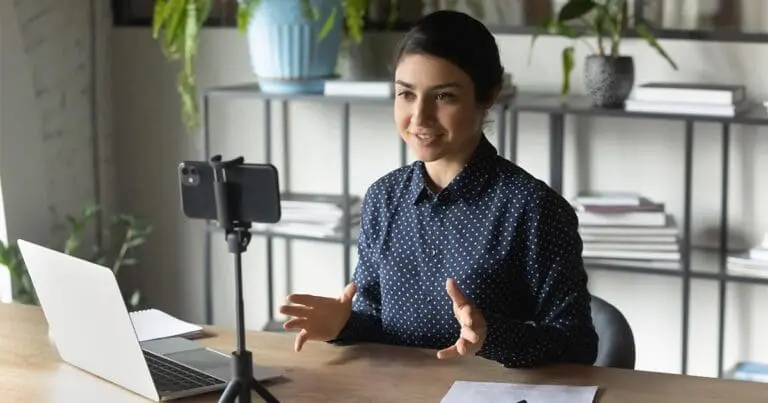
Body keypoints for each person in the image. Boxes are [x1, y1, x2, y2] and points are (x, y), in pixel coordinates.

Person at [278, 9, 598, 368]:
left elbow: (577, 345)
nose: (419, 117)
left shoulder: (533, 207)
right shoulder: (384, 198)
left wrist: (491, 335)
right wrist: (342, 324)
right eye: (406, 94)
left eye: (444, 97)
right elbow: (373, 322)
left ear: (488, 95)